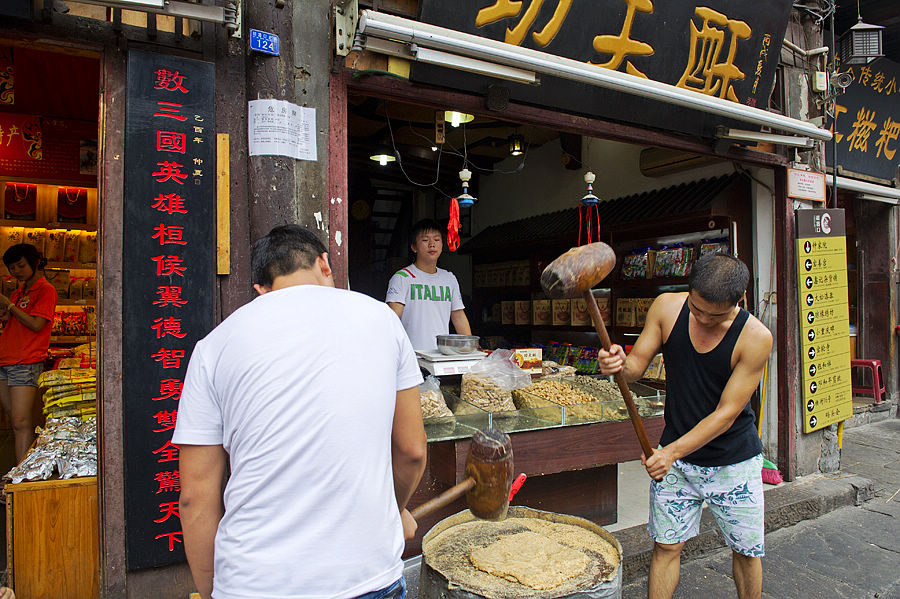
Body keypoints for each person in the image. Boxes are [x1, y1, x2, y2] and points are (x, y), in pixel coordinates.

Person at [174, 224, 427, 599]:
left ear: (261, 289)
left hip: (253, 582)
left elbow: (194, 497)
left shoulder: (214, 345)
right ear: (325, 264)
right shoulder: (381, 320)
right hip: (367, 576)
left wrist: (214, 589)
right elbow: (412, 450)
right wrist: (394, 510)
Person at [597, 253, 772, 599]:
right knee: (665, 547)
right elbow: (635, 368)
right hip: (677, 462)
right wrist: (617, 363)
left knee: (746, 551)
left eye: (716, 315)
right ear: (689, 290)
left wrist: (670, 452)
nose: (704, 319)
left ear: (740, 301)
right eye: (697, 309)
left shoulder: (756, 338)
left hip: (732, 461)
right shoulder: (666, 308)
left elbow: (726, 414)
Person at [0, 243, 57, 462]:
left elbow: (37, 325)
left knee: (22, 422)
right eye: (12, 268)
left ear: (34, 263)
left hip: (26, 360)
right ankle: (19, 473)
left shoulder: (46, 290)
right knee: (16, 421)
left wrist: (12, 308)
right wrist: (8, 315)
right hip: (7, 359)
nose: (16, 271)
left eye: (20, 266)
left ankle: (22, 477)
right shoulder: (18, 292)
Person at [386, 218, 471, 351]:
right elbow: (391, 319)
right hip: (412, 357)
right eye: (425, 240)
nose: (432, 244)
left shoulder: (449, 278)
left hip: (442, 355)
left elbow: (458, 316)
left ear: (442, 245)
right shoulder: (402, 278)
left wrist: (470, 349)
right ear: (414, 247)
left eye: (437, 240)